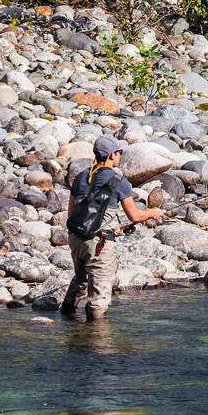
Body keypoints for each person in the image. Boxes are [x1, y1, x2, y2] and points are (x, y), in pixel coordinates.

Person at [61, 135, 164, 319]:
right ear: (111, 155)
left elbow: (72, 214)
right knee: (99, 297)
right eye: (119, 152)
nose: (120, 156)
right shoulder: (119, 181)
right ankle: (97, 339)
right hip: (100, 244)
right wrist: (152, 212)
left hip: (76, 239)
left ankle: (66, 317)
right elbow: (134, 215)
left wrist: (112, 228)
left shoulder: (80, 177)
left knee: (81, 279)